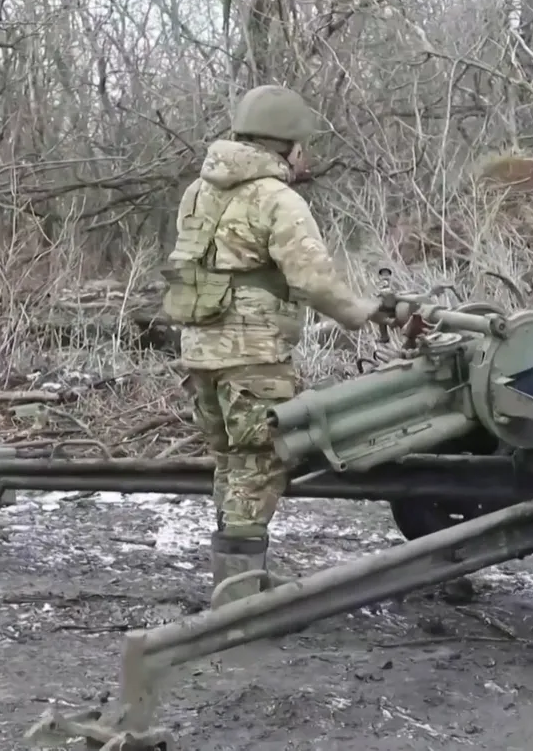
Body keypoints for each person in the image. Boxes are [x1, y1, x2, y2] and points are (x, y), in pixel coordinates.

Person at [161, 84, 386, 608]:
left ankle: (234, 576)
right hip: (253, 354)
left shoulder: (199, 190)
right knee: (259, 463)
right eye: (303, 144)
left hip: (199, 348)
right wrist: (359, 314)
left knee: (229, 460)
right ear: (287, 144)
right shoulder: (278, 199)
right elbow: (311, 279)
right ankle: (239, 593)